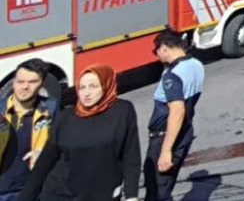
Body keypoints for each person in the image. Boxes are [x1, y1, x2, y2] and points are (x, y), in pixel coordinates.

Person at [18, 65, 140, 201]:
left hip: (102, 194)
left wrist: (131, 194)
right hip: (61, 194)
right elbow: (45, 161)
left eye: (93, 86)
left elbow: (131, 154)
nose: (86, 93)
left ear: (106, 85)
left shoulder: (122, 111)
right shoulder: (65, 117)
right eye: (82, 87)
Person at [144, 31, 204, 201]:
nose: (156, 55)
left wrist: (165, 150)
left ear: (163, 48)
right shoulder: (196, 64)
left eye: (156, 51)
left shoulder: (173, 74)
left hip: (166, 136)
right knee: (167, 183)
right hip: (185, 132)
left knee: (157, 189)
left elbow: (177, 111)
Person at [1, 60, 58, 201]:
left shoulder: (51, 109)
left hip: (28, 191)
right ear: (13, 82)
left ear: (42, 83)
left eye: (32, 82)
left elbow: (61, 144)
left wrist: (43, 152)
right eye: (20, 81)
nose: (25, 87)